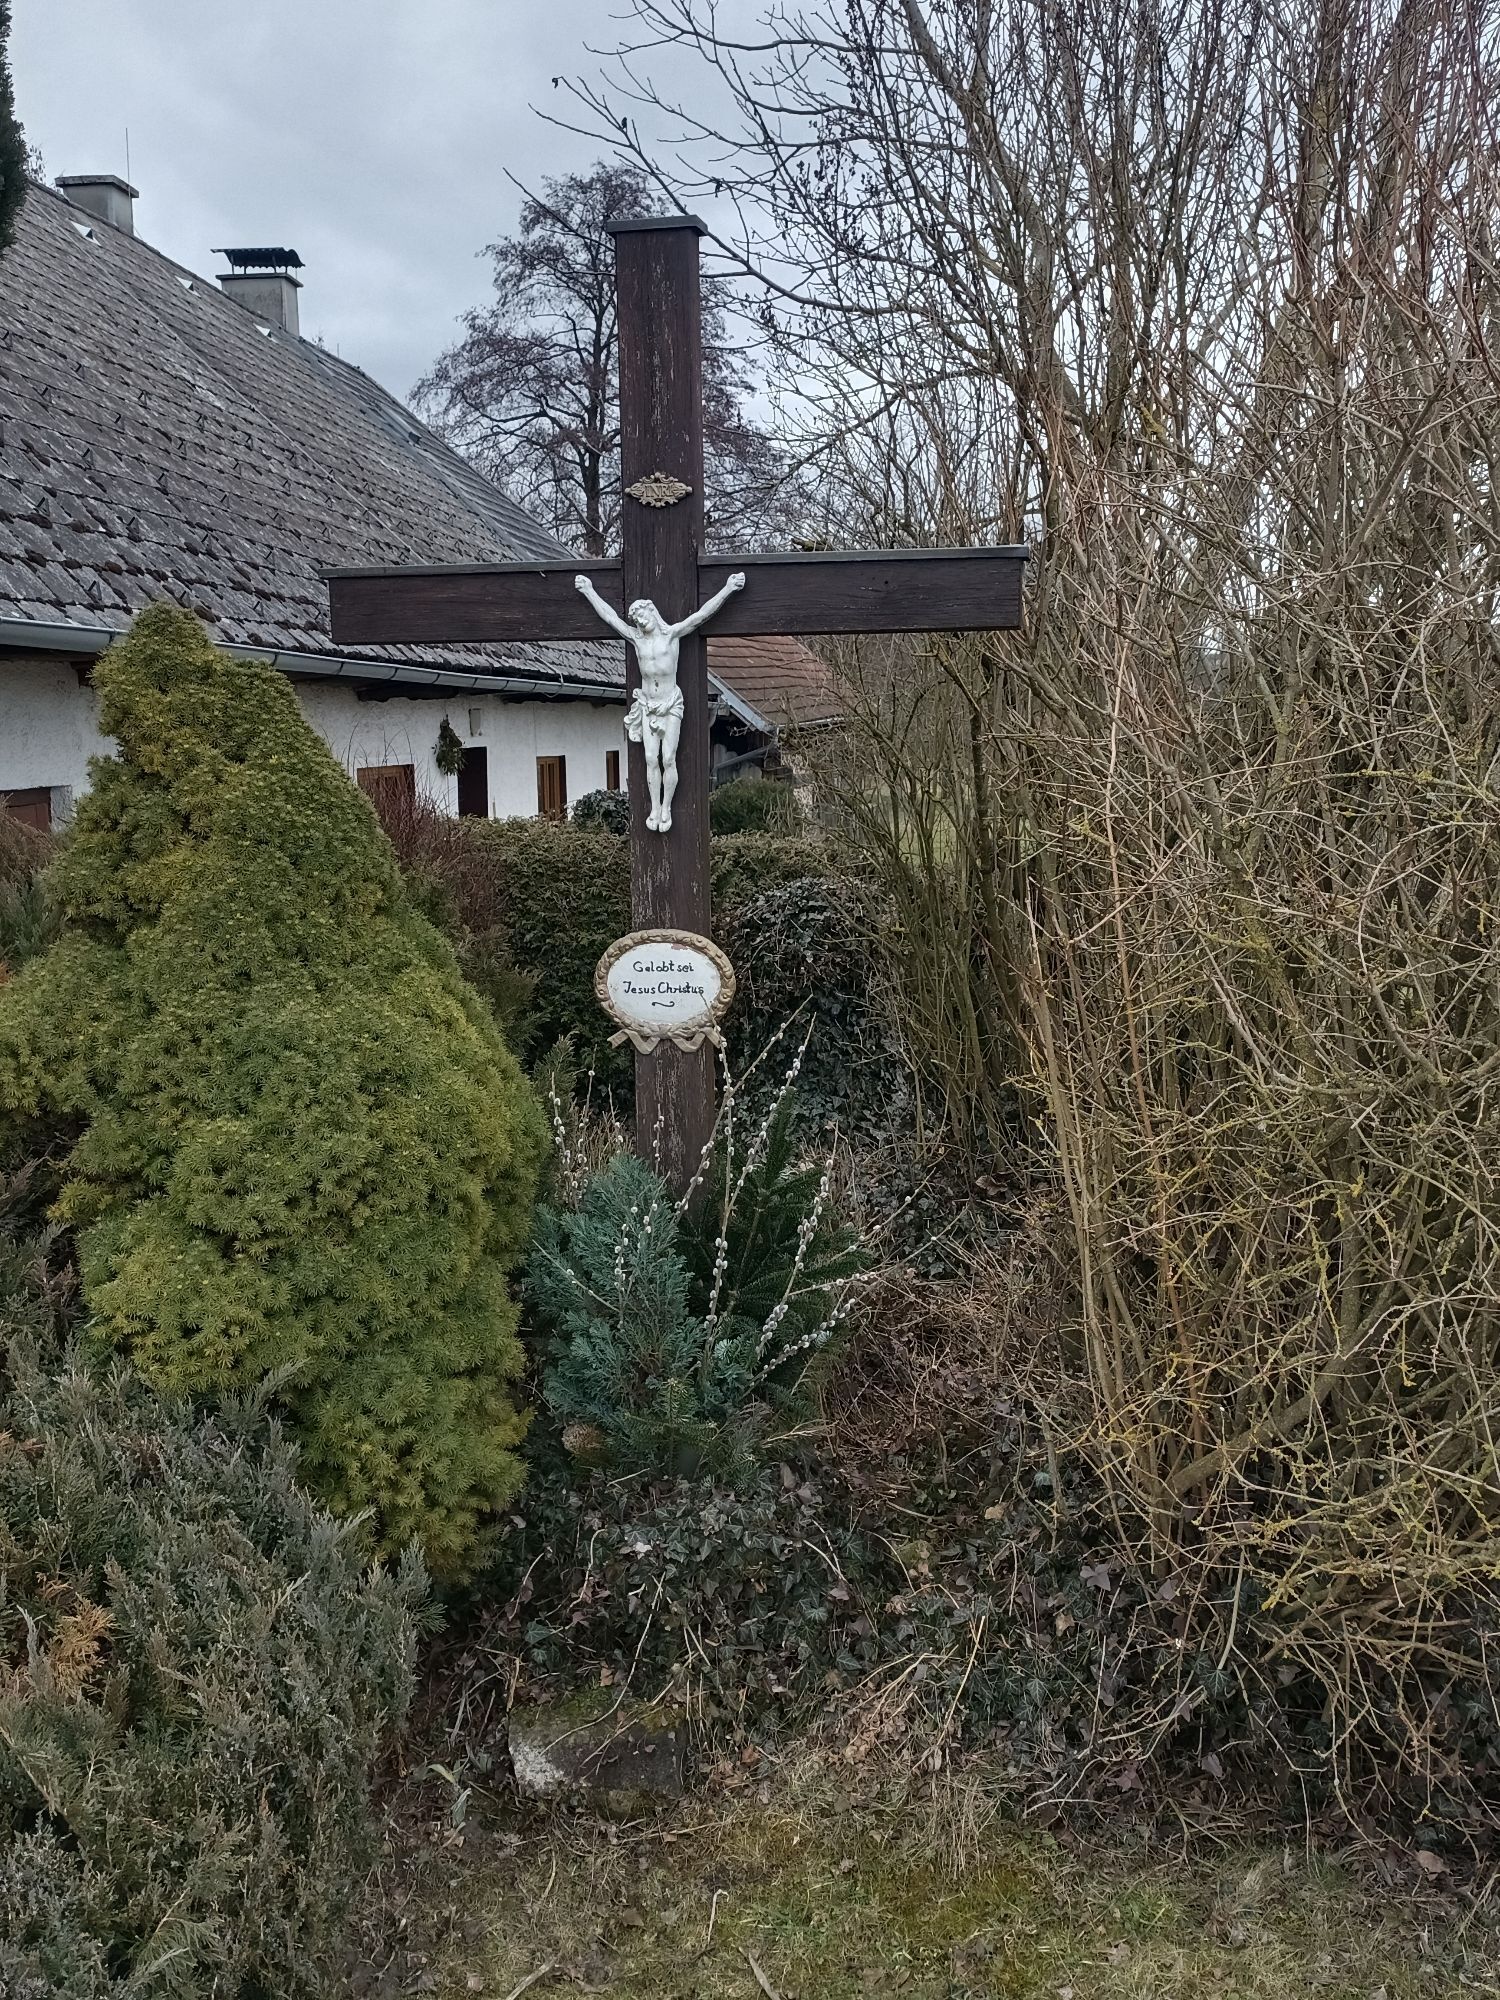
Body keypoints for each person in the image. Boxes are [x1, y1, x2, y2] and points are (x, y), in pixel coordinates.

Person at [574, 571, 746, 832]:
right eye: (636, 620)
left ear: (652, 612)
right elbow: (610, 617)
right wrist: (589, 591)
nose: (640, 622)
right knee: (650, 758)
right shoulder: (636, 639)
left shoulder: (672, 635)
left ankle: (667, 808)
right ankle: (655, 807)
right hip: (647, 705)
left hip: (671, 703)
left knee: (668, 758)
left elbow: (702, 615)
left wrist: (728, 588)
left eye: (642, 616)